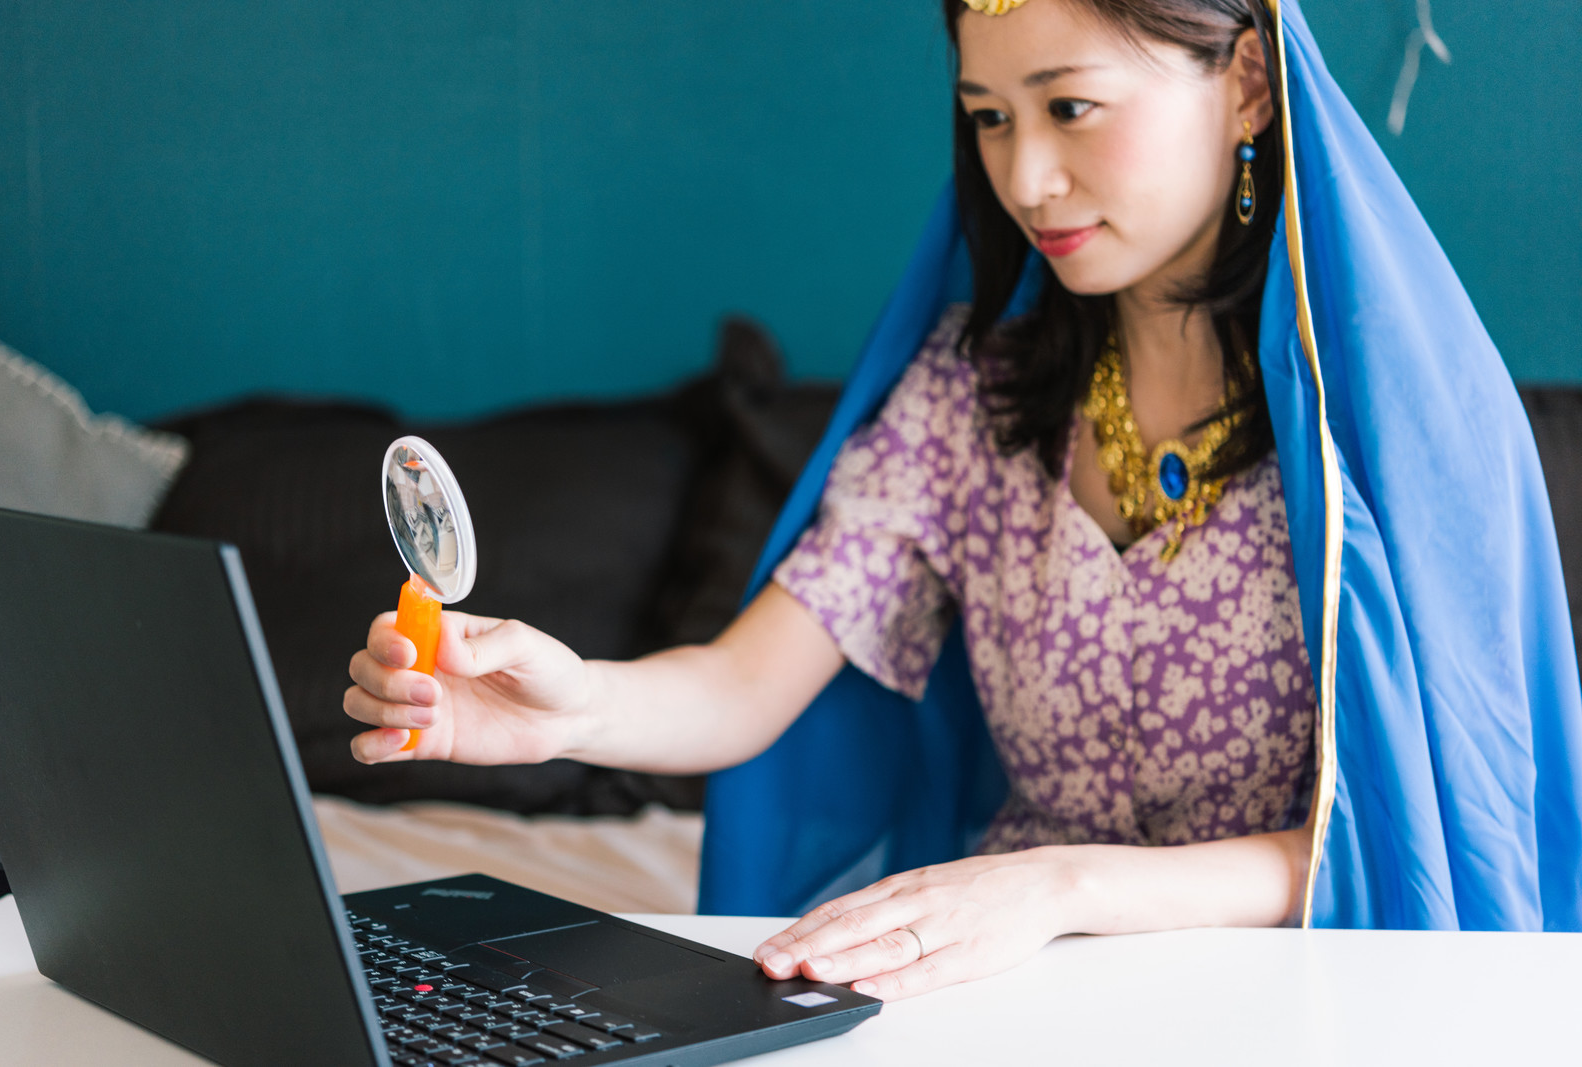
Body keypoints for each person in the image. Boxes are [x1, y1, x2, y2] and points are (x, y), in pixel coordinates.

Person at [345, 0, 1582, 1002]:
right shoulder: (967, 401)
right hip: (1006, 993)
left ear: (1247, 81)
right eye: (989, 117)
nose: (1025, 176)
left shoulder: (1402, 438)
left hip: (1296, 999)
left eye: (1070, 106)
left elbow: (1441, 842)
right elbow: (742, 686)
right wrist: (569, 706)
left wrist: (1064, 887)